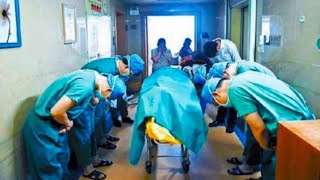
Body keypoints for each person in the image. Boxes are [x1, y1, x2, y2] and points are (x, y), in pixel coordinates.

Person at [202, 72, 315, 180]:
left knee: (274, 163)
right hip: (303, 117)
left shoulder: (234, 90)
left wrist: (267, 147)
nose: (221, 105)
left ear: (216, 94)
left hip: (292, 126)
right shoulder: (242, 78)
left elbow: (258, 128)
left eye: (217, 102)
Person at [23, 70, 125, 180]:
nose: (104, 99)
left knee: (62, 161)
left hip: (56, 123)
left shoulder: (93, 77)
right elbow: (56, 111)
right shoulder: (85, 85)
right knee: (48, 169)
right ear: (108, 90)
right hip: (42, 125)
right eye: (107, 97)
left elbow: (92, 99)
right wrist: (68, 122)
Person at [207, 61, 277, 176]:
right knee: (250, 133)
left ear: (226, 72)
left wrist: (266, 145)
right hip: (260, 102)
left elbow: (258, 128)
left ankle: (250, 165)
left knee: (256, 133)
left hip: (268, 104)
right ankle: (247, 158)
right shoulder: (239, 71)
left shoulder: (241, 77)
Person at [130, 68, 208, 165]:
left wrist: (134, 156)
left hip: (156, 124)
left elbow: (140, 120)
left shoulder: (153, 82)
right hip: (183, 124)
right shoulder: (184, 79)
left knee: (154, 94)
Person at [81, 54, 145, 128]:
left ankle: (124, 117)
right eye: (130, 73)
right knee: (100, 109)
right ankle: (102, 136)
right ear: (125, 67)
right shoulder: (106, 71)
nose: (129, 75)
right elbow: (100, 89)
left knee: (121, 97)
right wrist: (98, 98)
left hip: (100, 83)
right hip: (88, 84)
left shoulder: (122, 61)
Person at [203, 38, 242, 129]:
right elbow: (215, 64)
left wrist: (232, 75)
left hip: (234, 75)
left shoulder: (230, 46)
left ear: (218, 48)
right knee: (221, 97)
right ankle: (220, 120)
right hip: (222, 75)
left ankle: (231, 125)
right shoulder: (212, 46)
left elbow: (238, 62)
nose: (216, 55)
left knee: (232, 99)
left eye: (216, 54)